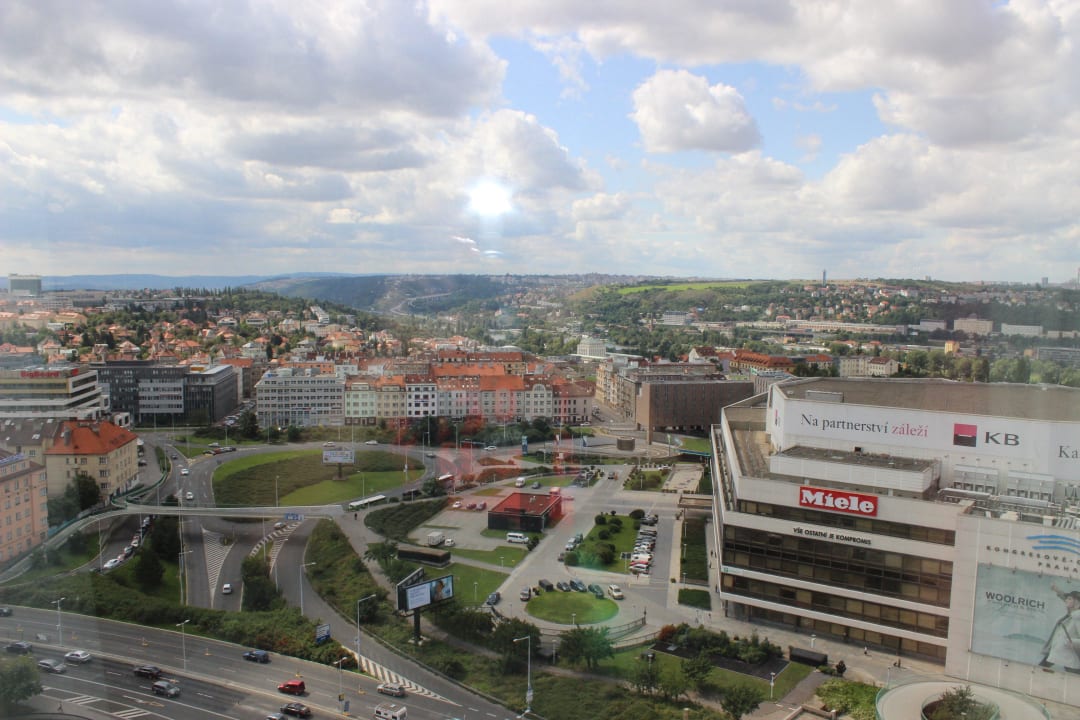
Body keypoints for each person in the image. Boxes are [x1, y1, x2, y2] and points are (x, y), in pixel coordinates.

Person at [1040, 585, 1080, 672]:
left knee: (1073, 673)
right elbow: (1065, 597)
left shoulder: (1077, 617)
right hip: (1060, 650)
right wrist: (1058, 591)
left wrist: (1072, 642)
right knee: (1043, 667)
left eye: (1069, 599)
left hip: (1067, 651)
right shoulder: (1070, 615)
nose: (1066, 600)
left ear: (1076, 602)